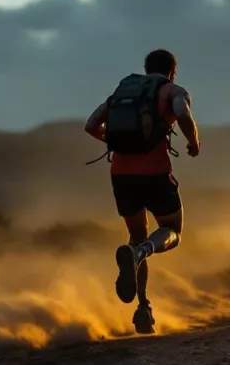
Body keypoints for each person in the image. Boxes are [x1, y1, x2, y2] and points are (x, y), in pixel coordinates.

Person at [83, 49, 201, 334]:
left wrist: (118, 144)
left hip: (121, 175)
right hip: (155, 172)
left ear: (146, 69)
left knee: (135, 238)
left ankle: (143, 308)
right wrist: (193, 141)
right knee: (171, 230)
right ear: (172, 71)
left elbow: (90, 126)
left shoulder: (123, 93)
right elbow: (183, 112)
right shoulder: (174, 90)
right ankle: (143, 252)